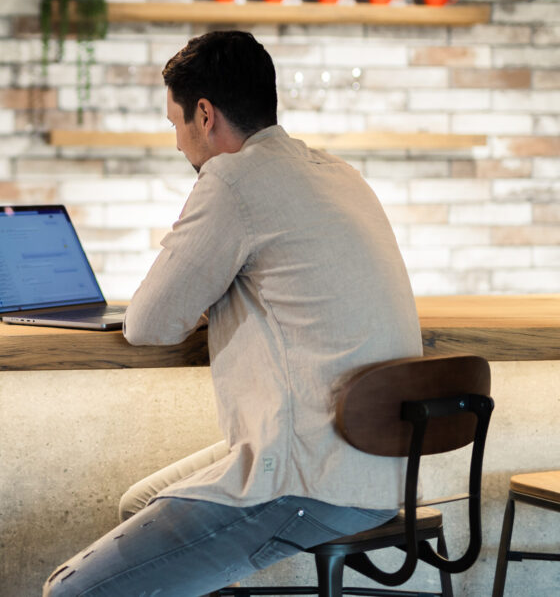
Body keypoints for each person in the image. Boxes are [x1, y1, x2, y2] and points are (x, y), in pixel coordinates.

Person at [43, 31, 423, 596]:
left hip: (309, 482)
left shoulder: (233, 177)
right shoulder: (339, 172)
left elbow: (148, 324)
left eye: (174, 124)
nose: (177, 144)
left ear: (204, 114)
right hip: (382, 472)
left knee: (71, 590)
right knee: (138, 504)